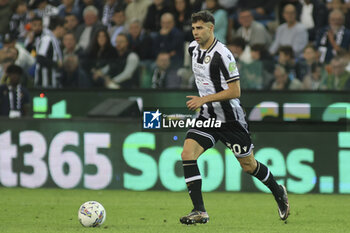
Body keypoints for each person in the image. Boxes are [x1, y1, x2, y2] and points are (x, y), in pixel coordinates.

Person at [179, 10, 290, 225]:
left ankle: (278, 191)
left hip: (230, 119)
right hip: (207, 117)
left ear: (211, 28)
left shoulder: (223, 54)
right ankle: (199, 211)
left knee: (248, 166)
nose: (195, 32)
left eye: (200, 27)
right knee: (187, 154)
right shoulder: (192, 49)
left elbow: (235, 91)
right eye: (193, 28)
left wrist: (204, 99)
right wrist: (204, 102)